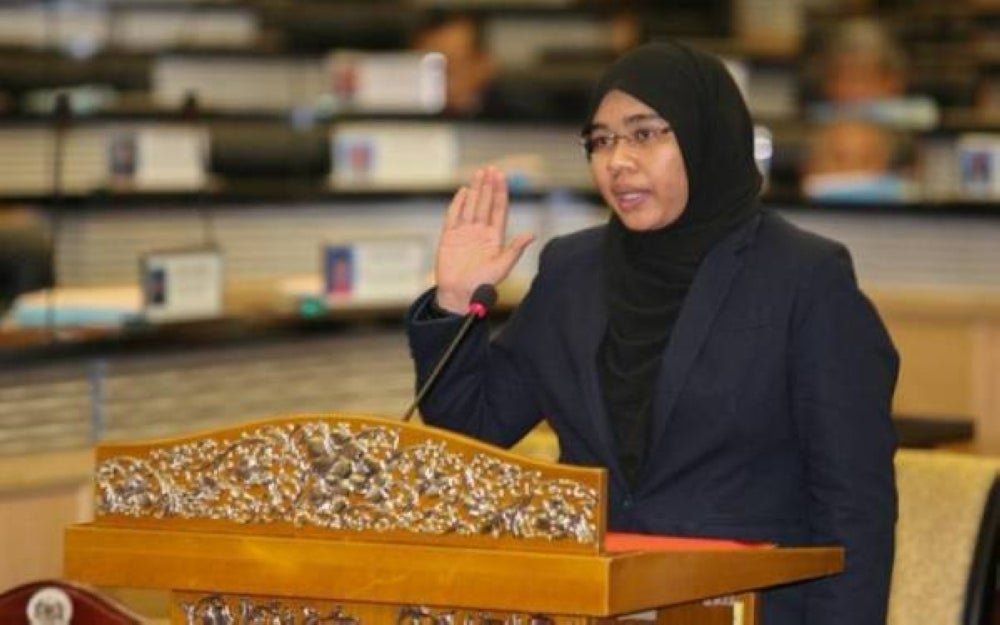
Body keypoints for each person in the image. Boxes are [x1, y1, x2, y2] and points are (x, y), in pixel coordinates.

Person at [407, 42, 898, 625]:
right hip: (594, 606)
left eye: (644, 134)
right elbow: (474, 427)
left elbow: (854, 506)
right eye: (602, 140)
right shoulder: (572, 272)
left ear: (705, 134)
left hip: (746, 609)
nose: (617, 160)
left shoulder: (804, 277)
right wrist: (455, 305)